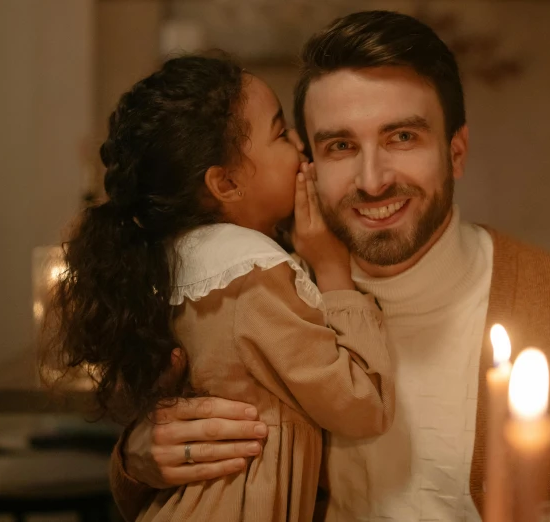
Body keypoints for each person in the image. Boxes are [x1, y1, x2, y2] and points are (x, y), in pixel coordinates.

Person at [108, 11, 550, 522]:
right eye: (339, 146)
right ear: (305, 162)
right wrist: (136, 456)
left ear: (456, 151)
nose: (374, 179)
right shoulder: (253, 299)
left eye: (402, 137)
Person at [44, 53, 395, 521]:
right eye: (281, 132)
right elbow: (360, 404)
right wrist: (333, 271)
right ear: (226, 182)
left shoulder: (193, 261)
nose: (301, 147)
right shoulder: (250, 274)